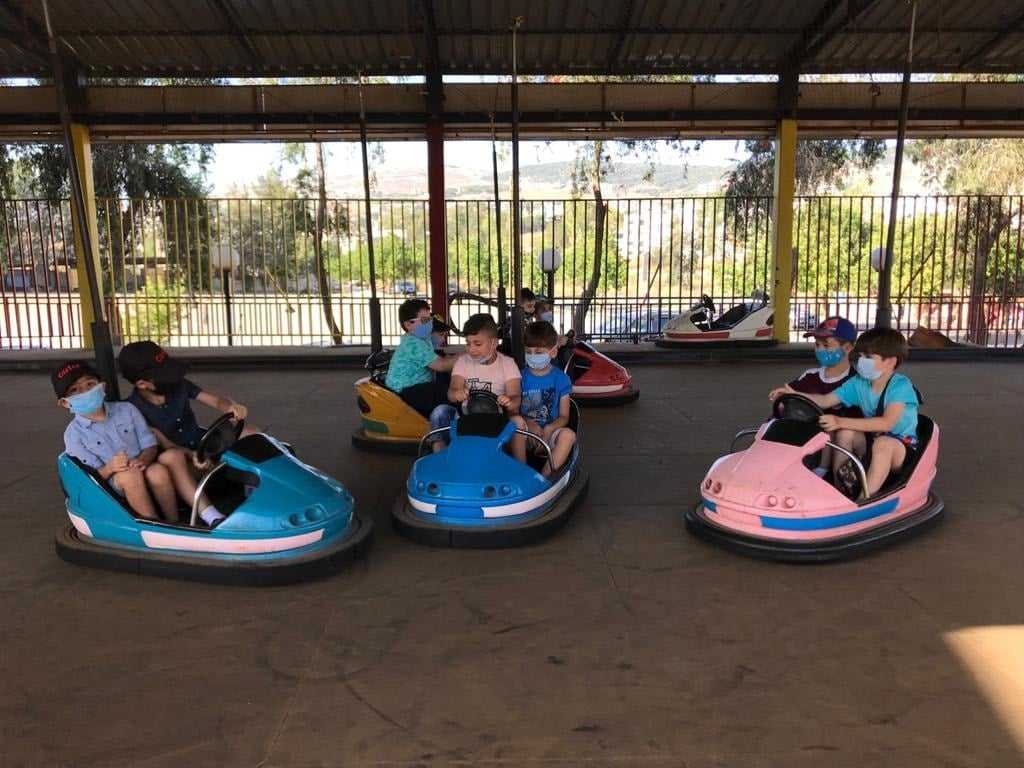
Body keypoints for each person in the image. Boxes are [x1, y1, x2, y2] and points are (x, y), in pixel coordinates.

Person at [54, 360, 225, 526]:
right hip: (111, 485)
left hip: (142, 466)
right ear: (65, 403)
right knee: (130, 475)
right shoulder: (74, 435)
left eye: (90, 384)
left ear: (102, 386)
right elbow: (89, 479)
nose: (85, 392)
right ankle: (151, 525)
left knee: (158, 471)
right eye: (75, 390)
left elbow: (149, 444)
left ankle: (174, 522)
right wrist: (111, 467)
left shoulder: (126, 410)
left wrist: (143, 460)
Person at [770, 327, 920, 499]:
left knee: (883, 443)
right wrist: (795, 394)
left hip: (902, 447)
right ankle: (841, 492)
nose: (862, 361)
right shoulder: (859, 383)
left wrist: (839, 421)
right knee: (845, 433)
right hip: (873, 441)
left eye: (869, 357)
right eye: (861, 356)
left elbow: (886, 423)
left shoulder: (901, 386)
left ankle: (865, 499)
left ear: (891, 361)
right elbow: (825, 400)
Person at [118, 341, 257, 459]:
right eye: (164, 375)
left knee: (251, 433)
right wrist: (193, 456)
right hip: (181, 457)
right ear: (142, 384)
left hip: (202, 442)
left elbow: (216, 401)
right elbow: (167, 446)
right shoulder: (132, 410)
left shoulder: (179, 385)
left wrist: (230, 408)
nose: (171, 378)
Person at [430, 313, 523, 451]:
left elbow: (516, 398)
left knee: (517, 421)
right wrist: (457, 394)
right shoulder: (463, 362)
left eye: (477, 344)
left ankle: (519, 463)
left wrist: (509, 401)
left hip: (496, 420)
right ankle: (441, 456)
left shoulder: (508, 364)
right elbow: (452, 392)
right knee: (439, 412)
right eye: (468, 343)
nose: (471, 349)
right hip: (465, 418)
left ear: (494, 343)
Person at [787, 316, 857, 477]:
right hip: (806, 444)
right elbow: (787, 402)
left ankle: (839, 483)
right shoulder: (809, 376)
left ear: (847, 348)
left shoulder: (856, 382)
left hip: (843, 446)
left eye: (826, 345)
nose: (820, 350)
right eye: (817, 345)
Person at [514, 321, 577, 476]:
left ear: (553, 352)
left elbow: (564, 416)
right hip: (524, 432)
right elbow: (513, 411)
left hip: (549, 432)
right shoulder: (519, 376)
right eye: (528, 351)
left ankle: (543, 479)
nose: (532, 356)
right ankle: (522, 476)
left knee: (568, 436)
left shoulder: (561, 379)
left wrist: (549, 429)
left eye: (538, 352)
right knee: (516, 425)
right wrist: (529, 424)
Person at [384, 299, 456, 419]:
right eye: (425, 320)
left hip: (414, 387)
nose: (430, 323)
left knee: (444, 383)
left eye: (430, 319)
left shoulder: (422, 338)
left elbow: (440, 357)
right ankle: (449, 423)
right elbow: (441, 365)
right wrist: (468, 357)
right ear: (408, 324)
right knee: (447, 393)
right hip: (404, 392)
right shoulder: (413, 343)